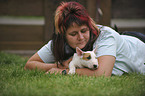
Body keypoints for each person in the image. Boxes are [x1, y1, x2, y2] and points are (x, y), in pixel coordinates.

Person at [24, 1, 145, 76]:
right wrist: (58, 65)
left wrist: (63, 71)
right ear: (63, 34)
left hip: (138, 44)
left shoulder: (105, 36)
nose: (80, 37)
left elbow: (102, 74)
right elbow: (29, 64)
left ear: (89, 26)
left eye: (84, 31)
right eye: (73, 34)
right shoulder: (58, 42)